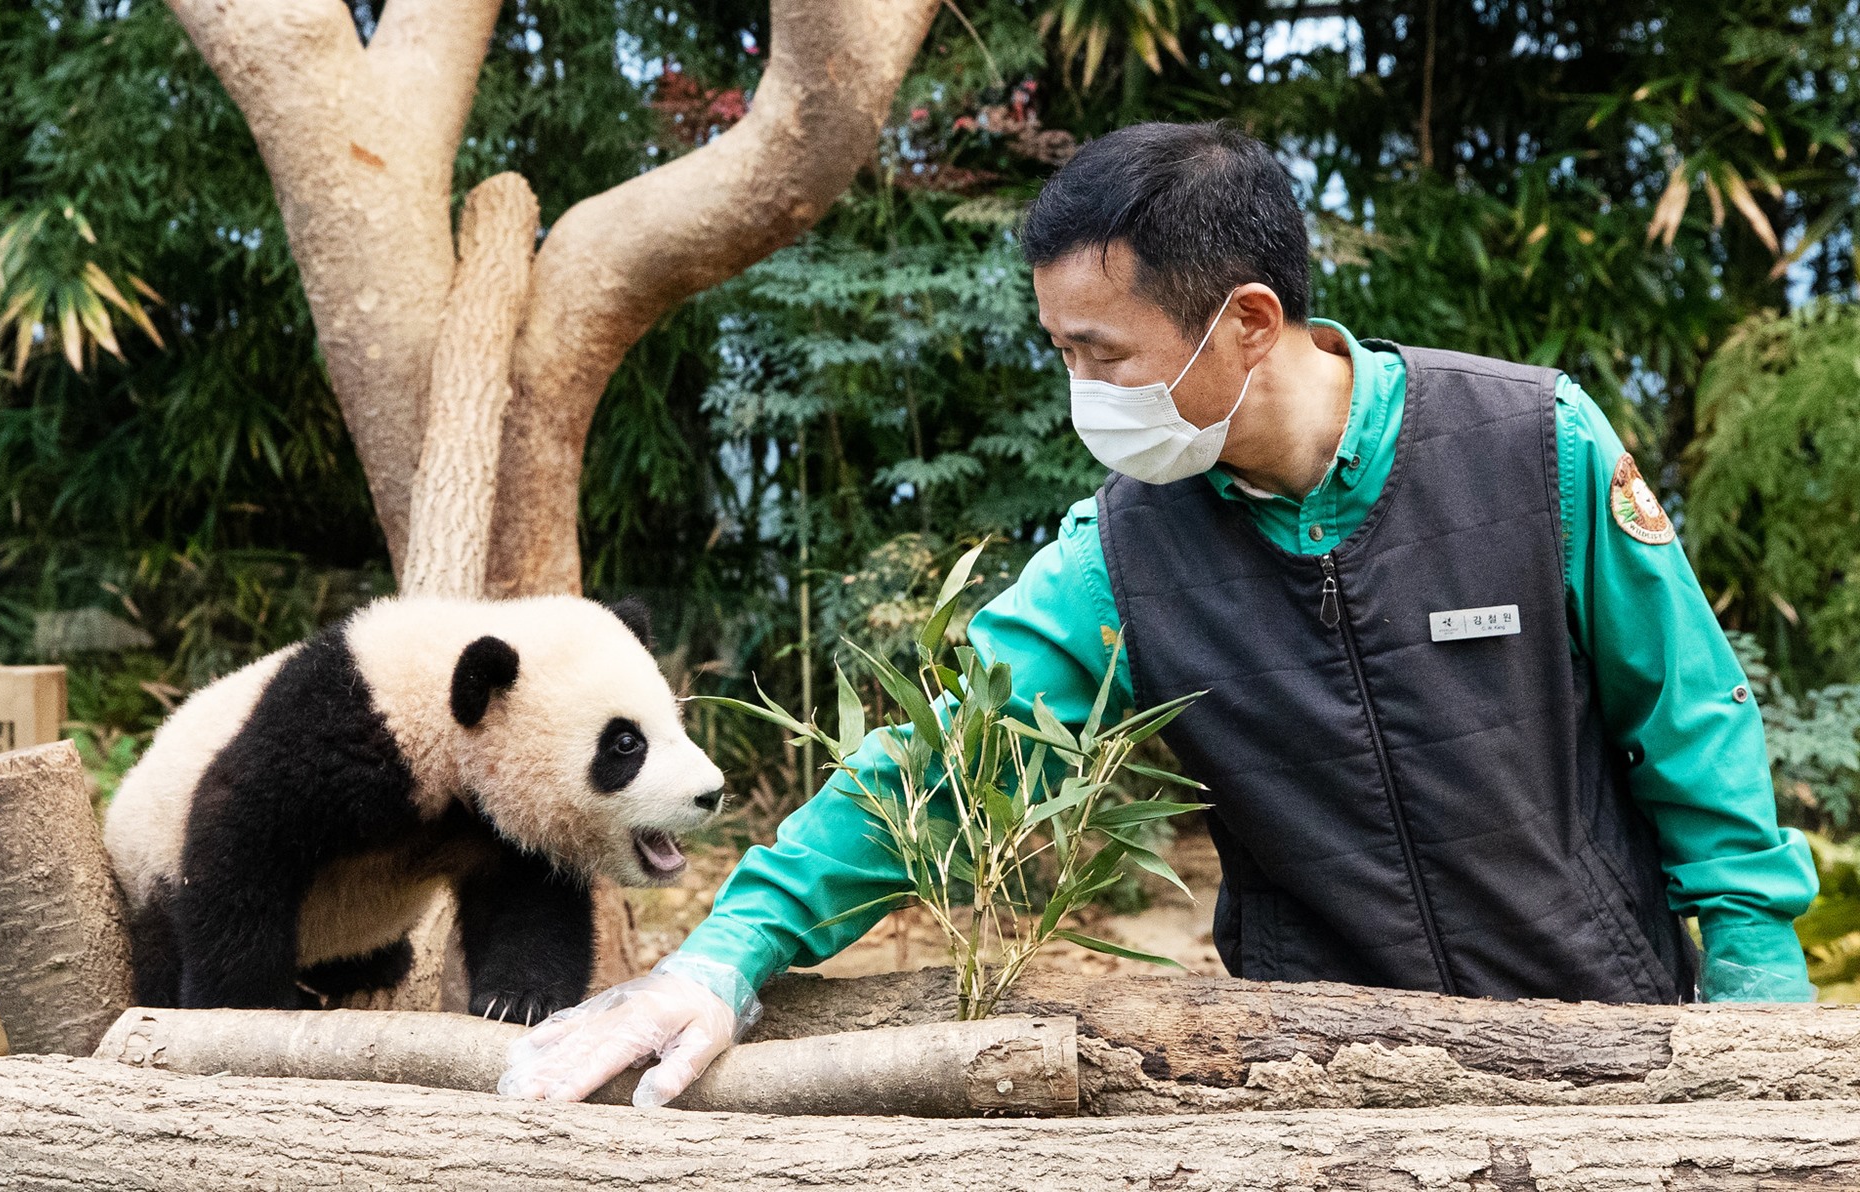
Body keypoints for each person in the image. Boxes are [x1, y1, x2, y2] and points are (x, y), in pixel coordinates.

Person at [498, 121, 1820, 1109]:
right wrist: (720, 959)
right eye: (1062, 352)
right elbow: (942, 760)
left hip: (1609, 1039)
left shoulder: (1534, 446)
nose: (1081, 392)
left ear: (1246, 323)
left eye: (1102, 355)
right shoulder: (1127, 553)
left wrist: (1758, 1018)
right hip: (1331, 1079)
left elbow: (1692, 730)